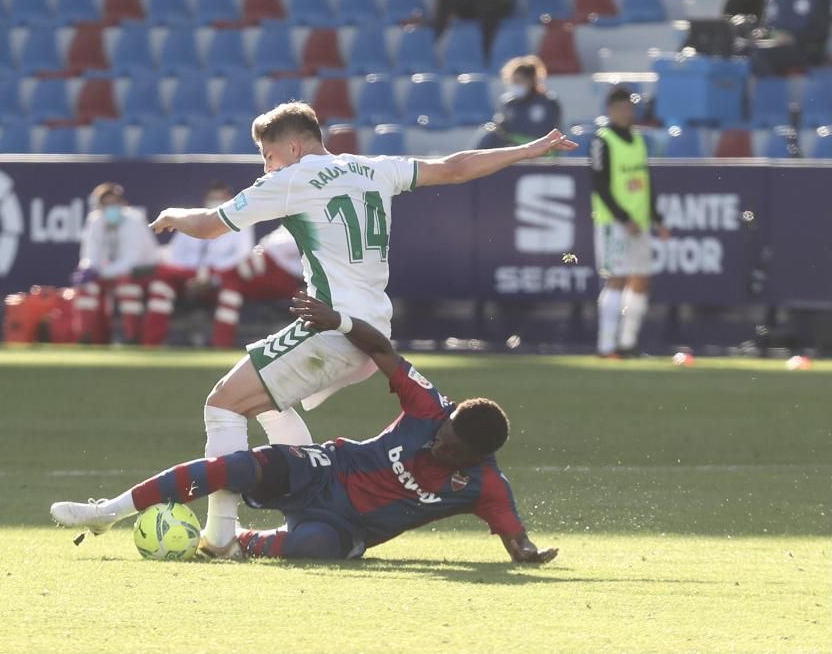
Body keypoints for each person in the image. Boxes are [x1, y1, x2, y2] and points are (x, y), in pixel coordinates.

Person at [148, 101, 576, 557]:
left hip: (332, 326)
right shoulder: (372, 167)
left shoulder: (290, 179)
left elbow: (212, 226)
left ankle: (220, 537)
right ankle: (301, 500)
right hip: (373, 334)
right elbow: (455, 168)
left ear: (292, 147)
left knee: (224, 405)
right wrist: (528, 149)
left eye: (267, 155)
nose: (266, 166)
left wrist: (174, 213)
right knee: (270, 405)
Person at [50, 293, 558, 564]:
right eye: (443, 436)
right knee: (232, 468)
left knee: (313, 549)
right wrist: (338, 321)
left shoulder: (485, 485)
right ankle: (109, 512)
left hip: (345, 529)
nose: (438, 447)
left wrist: (529, 554)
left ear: (474, 458)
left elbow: (518, 544)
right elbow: (383, 350)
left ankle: (236, 543)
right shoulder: (429, 407)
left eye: (451, 452)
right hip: (325, 472)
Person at [590, 88, 669, 359]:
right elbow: (599, 184)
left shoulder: (637, 139)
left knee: (641, 280)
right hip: (615, 223)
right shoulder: (602, 140)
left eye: (629, 107)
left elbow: (645, 183)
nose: (627, 112)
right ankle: (606, 345)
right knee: (616, 279)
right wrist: (623, 218)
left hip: (641, 222)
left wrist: (656, 218)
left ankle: (627, 343)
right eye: (622, 107)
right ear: (610, 109)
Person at [154, 181, 256, 345]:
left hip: (219, 279)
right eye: (212, 198)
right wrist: (192, 277)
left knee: (231, 293)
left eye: (220, 198)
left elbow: (241, 255)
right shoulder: (193, 219)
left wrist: (210, 277)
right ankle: (150, 345)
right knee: (160, 285)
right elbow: (175, 253)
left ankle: (221, 346)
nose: (215, 202)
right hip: (188, 277)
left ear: (230, 200)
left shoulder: (242, 222)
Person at [73, 182, 163, 345]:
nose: (110, 208)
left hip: (144, 272)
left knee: (126, 284)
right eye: (106, 204)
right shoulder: (95, 221)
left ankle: (132, 336)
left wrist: (100, 271)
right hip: (112, 271)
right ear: (99, 206)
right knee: (87, 285)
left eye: (114, 203)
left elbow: (131, 261)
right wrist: (87, 268)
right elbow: (90, 253)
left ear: (122, 203)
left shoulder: (134, 220)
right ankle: (88, 336)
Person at [212, 225, 304, 348]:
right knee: (231, 289)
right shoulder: (293, 224)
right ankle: (222, 344)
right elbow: (265, 245)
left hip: (290, 280)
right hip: (267, 272)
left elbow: (272, 248)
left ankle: (214, 279)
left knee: (234, 275)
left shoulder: (317, 231)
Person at [472, 56, 562, 149]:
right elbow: (501, 128)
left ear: (531, 81)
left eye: (519, 81)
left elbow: (551, 132)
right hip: (514, 149)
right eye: (513, 81)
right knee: (489, 134)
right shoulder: (509, 103)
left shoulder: (548, 102)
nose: (515, 85)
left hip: (541, 149)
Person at [752, 0, 830, 75]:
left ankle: (770, 88)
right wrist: (760, 35)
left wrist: (793, 37)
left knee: (762, 55)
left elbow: (821, 32)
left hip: (806, 50)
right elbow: (766, 29)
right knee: (751, 51)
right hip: (776, 47)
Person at [434, 0, 517, 52]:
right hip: (475, 0)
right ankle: (436, 41)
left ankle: (487, 53)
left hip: (498, 0)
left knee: (487, 7)